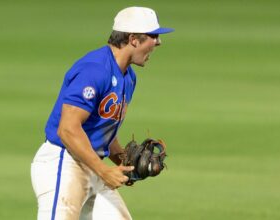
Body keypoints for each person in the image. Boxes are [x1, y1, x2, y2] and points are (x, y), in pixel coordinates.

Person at [30, 6, 174, 220]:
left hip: (90, 163)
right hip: (63, 162)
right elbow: (67, 129)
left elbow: (103, 129)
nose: (158, 42)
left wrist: (125, 163)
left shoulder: (129, 77)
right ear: (133, 39)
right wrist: (103, 170)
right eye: (154, 36)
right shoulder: (94, 69)